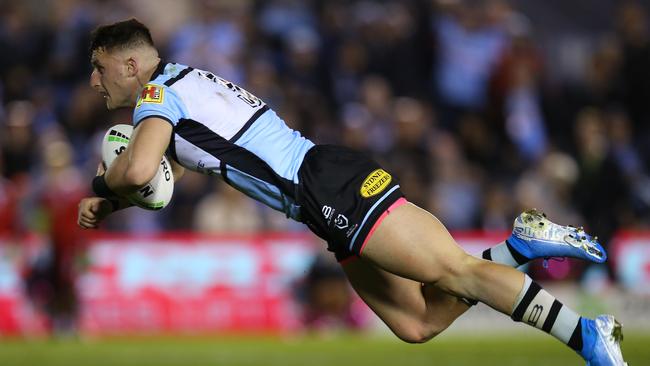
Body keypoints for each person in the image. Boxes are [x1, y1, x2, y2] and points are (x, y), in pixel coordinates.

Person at [77, 19, 626, 365]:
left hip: (324, 186)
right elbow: (156, 175)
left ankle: (586, 336)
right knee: (417, 324)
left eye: (100, 69)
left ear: (130, 63)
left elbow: (139, 169)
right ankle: (519, 249)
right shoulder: (181, 86)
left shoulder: (156, 95)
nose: (96, 83)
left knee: (455, 271)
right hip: (321, 199)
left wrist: (104, 184)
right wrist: (116, 197)